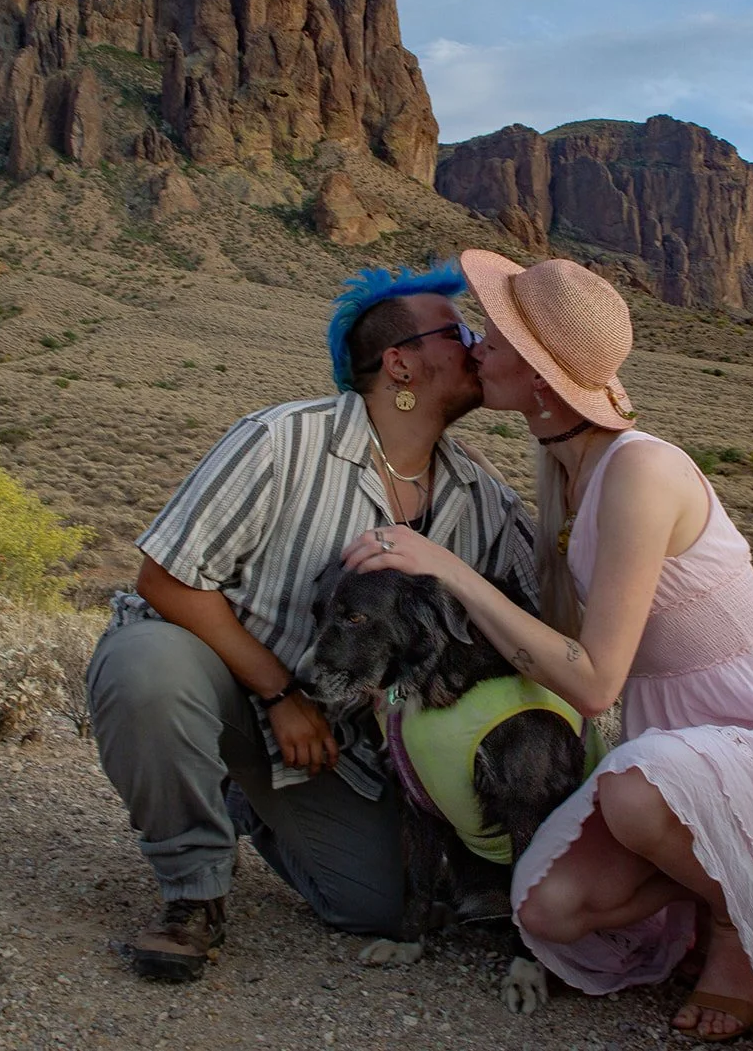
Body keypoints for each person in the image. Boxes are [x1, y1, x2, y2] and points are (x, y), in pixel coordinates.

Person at [343, 250, 753, 1042]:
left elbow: (596, 680)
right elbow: (554, 639)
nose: (476, 351)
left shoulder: (641, 469)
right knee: (549, 909)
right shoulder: (561, 467)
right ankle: (709, 883)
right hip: (672, 738)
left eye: (493, 342)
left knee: (640, 794)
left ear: (540, 376)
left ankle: (737, 933)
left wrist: (444, 568)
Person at [88, 261, 537, 982]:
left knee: (387, 906)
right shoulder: (279, 442)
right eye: (458, 333)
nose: (477, 344)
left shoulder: (482, 499)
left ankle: (255, 804)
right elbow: (164, 579)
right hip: (230, 683)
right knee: (144, 669)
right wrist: (278, 695)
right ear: (399, 363)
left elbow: (533, 615)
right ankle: (192, 896)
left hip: (337, 743)